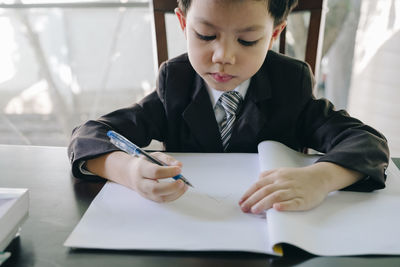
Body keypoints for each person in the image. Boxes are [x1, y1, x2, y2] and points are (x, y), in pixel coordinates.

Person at [68, 0, 389, 214]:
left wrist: (321, 178)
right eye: (206, 35)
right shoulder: (176, 83)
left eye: (247, 41)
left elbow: (367, 143)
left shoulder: (290, 85)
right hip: (187, 227)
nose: (223, 55)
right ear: (183, 23)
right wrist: (129, 171)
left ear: (274, 34)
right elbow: (89, 135)